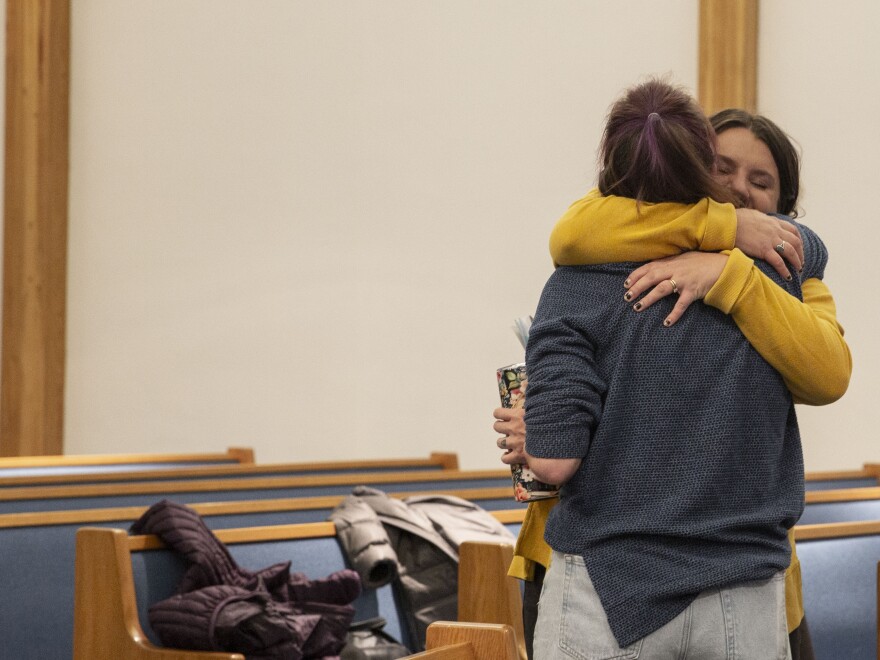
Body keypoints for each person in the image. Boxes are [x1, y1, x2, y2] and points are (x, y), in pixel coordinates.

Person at [495, 103, 850, 660]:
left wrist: (728, 274)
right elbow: (569, 234)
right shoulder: (611, 236)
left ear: (782, 209)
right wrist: (546, 420)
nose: (739, 189)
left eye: (762, 183)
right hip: (598, 550)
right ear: (686, 168)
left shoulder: (786, 276)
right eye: (723, 168)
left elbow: (827, 373)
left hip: (736, 564)